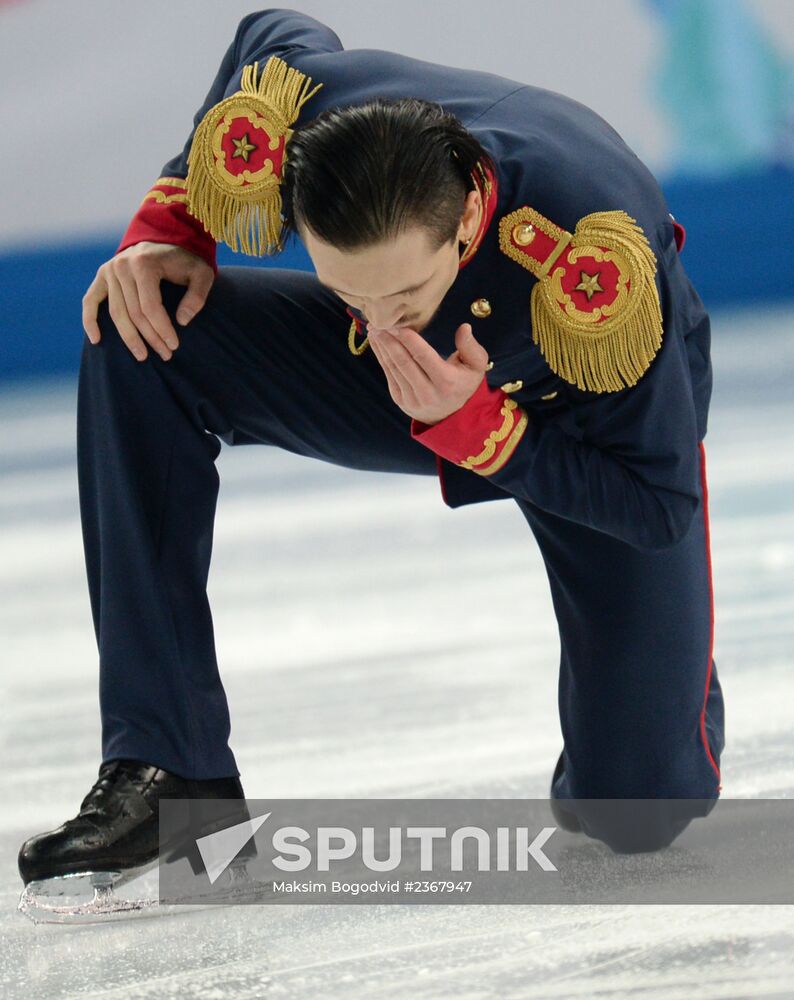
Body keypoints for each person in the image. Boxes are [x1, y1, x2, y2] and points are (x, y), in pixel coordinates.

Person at [19, 7, 725, 896]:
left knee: (638, 811)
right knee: (136, 330)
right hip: (390, 391)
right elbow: (270, 30)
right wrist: (173, 221)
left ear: (468, 216)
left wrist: (484, 430)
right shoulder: (301, 122)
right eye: (347, 290)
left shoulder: (596, 258)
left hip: (576, 415)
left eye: (407, 292)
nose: (385, 322)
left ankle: (660, 698)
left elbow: (657, 504)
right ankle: (171, 770)